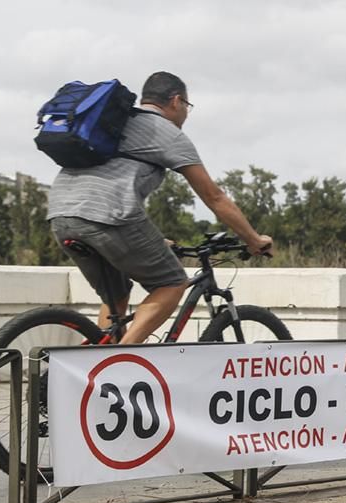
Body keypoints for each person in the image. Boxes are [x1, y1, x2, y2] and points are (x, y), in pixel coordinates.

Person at [47, 71, 273, 344]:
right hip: (106, 218)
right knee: (172, 282)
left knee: (116, 297)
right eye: (187, 107)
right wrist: (254, 239)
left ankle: (99, 362)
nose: (186, 114)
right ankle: (122, 358)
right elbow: (214, 197)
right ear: (176, 101)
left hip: (61, 213)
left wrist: (155, 239)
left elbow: (117, 182)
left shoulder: (116, 122)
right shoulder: (166, 133)